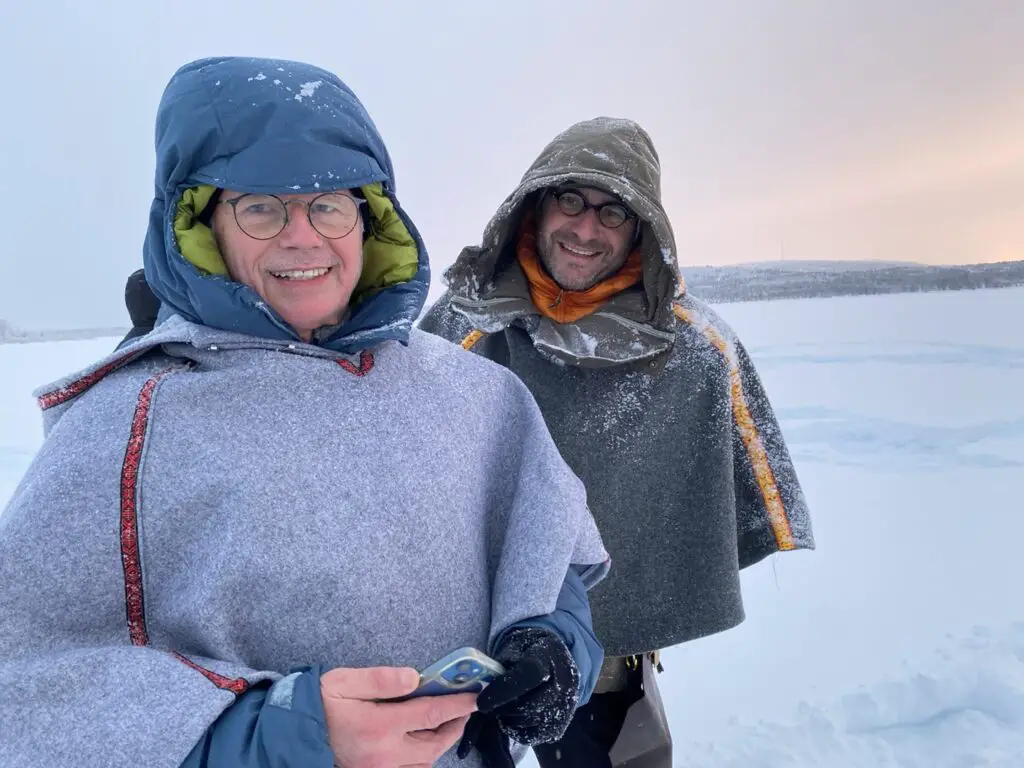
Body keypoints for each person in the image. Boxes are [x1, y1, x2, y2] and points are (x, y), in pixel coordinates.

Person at [0, 57, 611, 768]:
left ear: (369, 221)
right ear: (200, 226)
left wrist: (553, 643)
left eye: (329, 204)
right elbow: (30, 688)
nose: (303, 236)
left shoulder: (472, 392)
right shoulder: (126, 428)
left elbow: (546, 559)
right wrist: (283, 732)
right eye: (260, 207)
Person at [415, 117, 816, 767]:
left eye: (613, 212)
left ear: (641, 229)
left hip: (604, 651)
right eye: (569, 199)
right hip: (454, 632)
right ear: (534, 206)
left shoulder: (693, 347)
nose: (585, 228)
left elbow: (741, 488)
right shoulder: (464, 322)